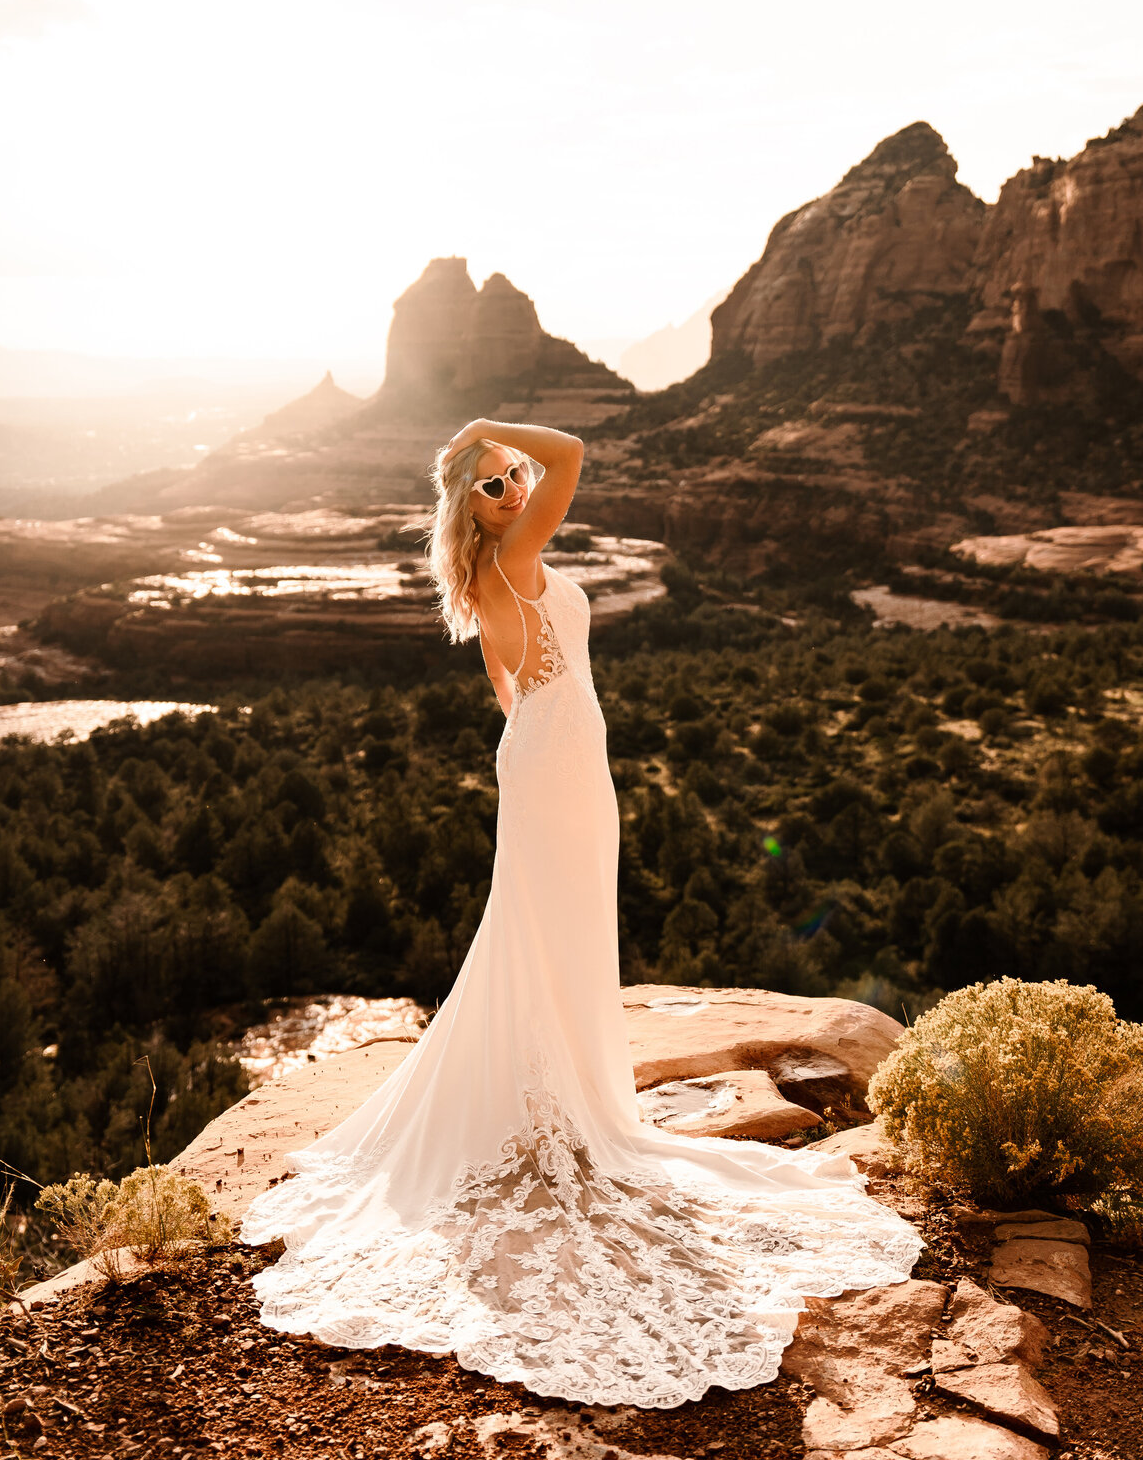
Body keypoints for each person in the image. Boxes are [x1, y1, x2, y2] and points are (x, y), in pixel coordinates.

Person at [241, 419, 922, 1408]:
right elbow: (571, 453)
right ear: (467, 504)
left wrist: (538, 734)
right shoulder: (517, 551)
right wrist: (489, 432)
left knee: (535, 927)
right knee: (546, 926)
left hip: (549, 757)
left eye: (507, 478)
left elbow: (504, 685)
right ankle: (554, 1101)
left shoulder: (486, 571)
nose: (514, 487)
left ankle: (543, 1092)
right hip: (560, 763)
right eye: (489, 485)